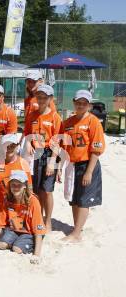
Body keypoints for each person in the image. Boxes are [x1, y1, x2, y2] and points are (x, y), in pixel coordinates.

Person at [61, 90, 105, 243]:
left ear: (89, 105)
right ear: (74, 102)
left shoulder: (93, 122)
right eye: (78, 102)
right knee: (74, 198)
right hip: (72, 165)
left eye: (84, 103)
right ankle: (76, 228)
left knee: (84, 199)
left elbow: (96, 149)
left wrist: (89, 172)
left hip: (87, 164)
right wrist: (60, 167)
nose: (80, 105)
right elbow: (63, 146)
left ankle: (76, 233)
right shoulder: (68, 122)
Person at [23, 84, 62, 232]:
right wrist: (27, 143)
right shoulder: (32, 115)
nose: (41, 99)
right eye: (39, 96)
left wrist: (52, 162)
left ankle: (48, 220)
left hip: (49, 153)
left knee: (47, 190)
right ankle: (38, 216)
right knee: (37, 189)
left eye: (44, 97)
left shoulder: (54, 117)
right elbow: (27, 133)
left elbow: (58, 141)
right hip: (35, 154)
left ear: (50, 99)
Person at [0, 170, 46, 265]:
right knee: (1, 245)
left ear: (24, 186)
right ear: (9, 186)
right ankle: (17, 241)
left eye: (19, 184)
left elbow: (38, 228)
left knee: (17, 249)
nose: (15, 187)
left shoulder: (33, 201)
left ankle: (25, 243)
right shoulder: (7, 199)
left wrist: (36, 254)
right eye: (13, 185)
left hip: (30, 231)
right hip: (13, 229)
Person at [0, 134, 32, 199]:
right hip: (0, 203)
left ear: (17, 146)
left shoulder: (23, 164)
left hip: (18, 202)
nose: (9, 148)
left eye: (13, 145)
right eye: (6, 145)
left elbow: (29, 188)